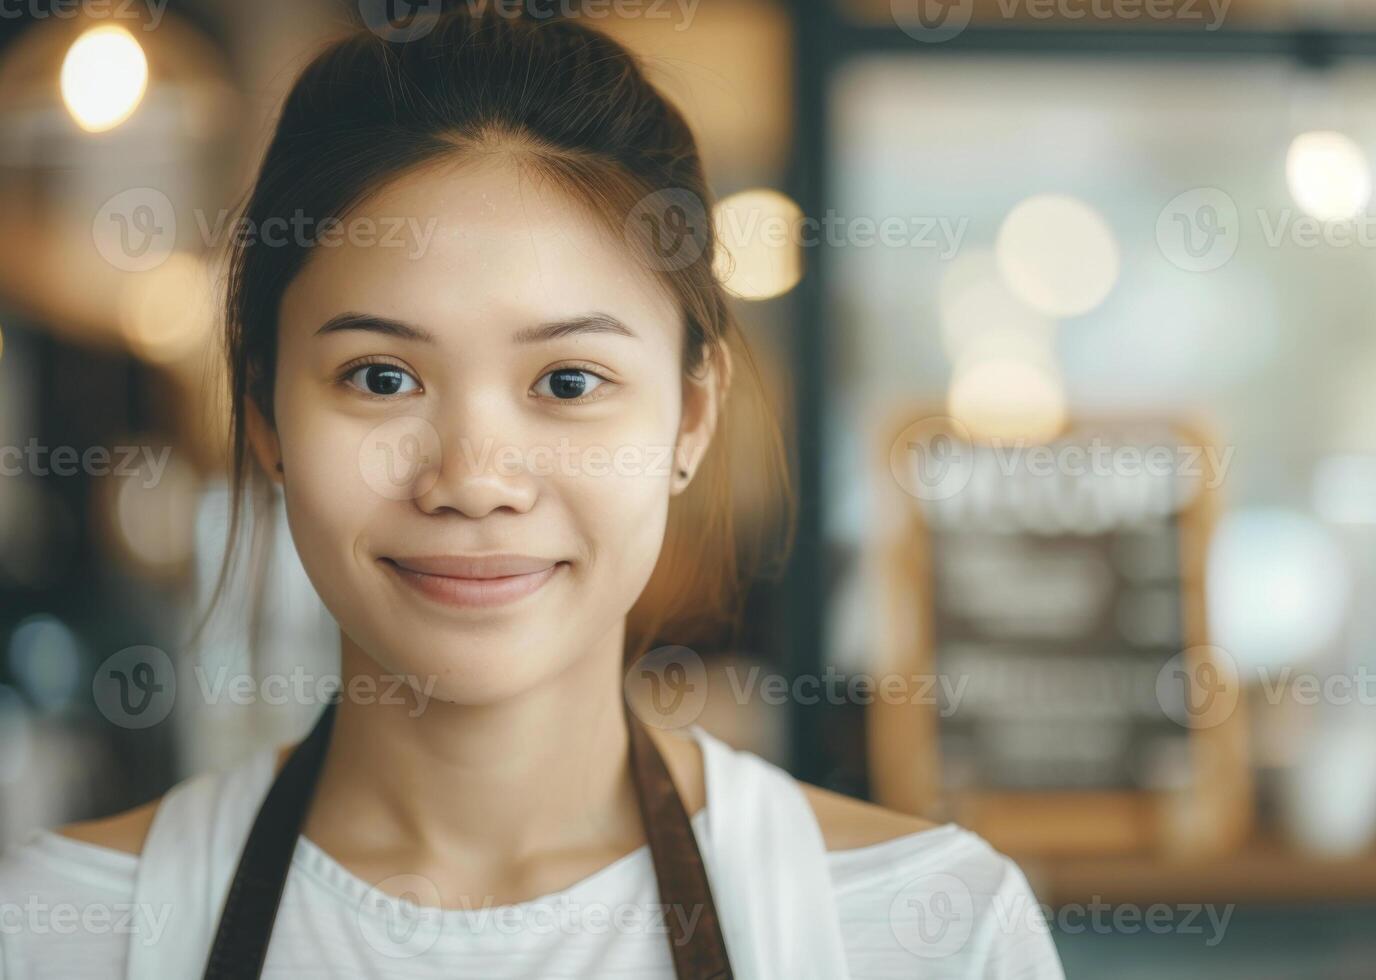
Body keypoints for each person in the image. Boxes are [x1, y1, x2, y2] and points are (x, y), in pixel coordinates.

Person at [0, 6, 1064, 977]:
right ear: (268, 413)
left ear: (690, 417)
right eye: (381, 376)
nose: (471, 477)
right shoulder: (59, 929)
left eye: (567, 381)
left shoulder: (928, 927)